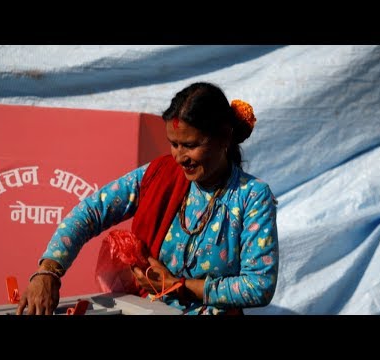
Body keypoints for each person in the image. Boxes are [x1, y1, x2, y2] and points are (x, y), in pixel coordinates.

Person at [16, 81, 279, 315]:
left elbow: (259, 286)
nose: (179, 157)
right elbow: (91, 211)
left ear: (224, 137)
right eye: (174, 144)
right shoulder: (159, 175)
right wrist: (48, 271)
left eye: (190, 145)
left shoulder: (252, 197)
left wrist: (179, 286)